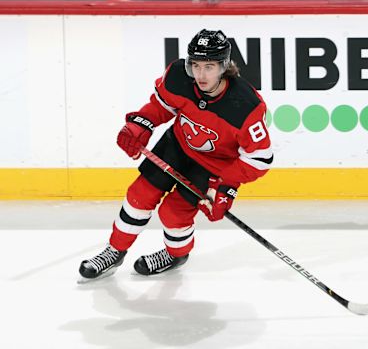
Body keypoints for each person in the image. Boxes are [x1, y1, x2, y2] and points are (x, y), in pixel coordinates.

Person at [78, 29, 273, 281]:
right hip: (177, 145)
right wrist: (142, 124)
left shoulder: (246, 106)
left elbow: (260, 159)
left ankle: (176, 254)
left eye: (209, 67)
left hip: (213, 166)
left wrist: (225, 186)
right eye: (196, 65)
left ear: (224, 67)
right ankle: (114, 252)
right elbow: (161, 106)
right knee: (139, 195)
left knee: (173, 212)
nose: (200, 75)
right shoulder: (179, 76)